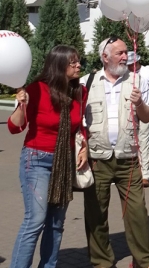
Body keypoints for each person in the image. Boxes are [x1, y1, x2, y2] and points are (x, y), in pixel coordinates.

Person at [8, 45, 88, 268]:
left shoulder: (79, 92)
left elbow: (81, 126)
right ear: (59, 64)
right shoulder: (36, 89)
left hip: (64, 162)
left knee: (56, 223)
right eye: (73, 62)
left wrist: (85, 147)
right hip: (36, 160)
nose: (78, 65)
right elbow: (15, 128)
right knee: (35, 220)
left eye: (79, 61)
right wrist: (21, 105)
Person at [82, 36, 149, 268]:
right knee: (96, 216)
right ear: (105, 57)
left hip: (129, 159)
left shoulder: (136, 80)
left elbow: (146, 117)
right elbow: (78, 119)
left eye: (126, 52)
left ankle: (145, 262)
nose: (126, 57)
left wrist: (139, 104)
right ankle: (102, 262)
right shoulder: (88, 81)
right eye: (120, 53)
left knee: (137, 215)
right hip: (97, 160)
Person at [126, 51, 149, 187]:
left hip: (145, 112)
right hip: (128, 113)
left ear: (136, 62)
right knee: (129, 143)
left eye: (130, 64)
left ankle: (144, 174)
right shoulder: (124, 75)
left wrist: (146, 99)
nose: (128, 67)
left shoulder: (148, 73)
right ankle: (130, 172)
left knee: (144, 142)